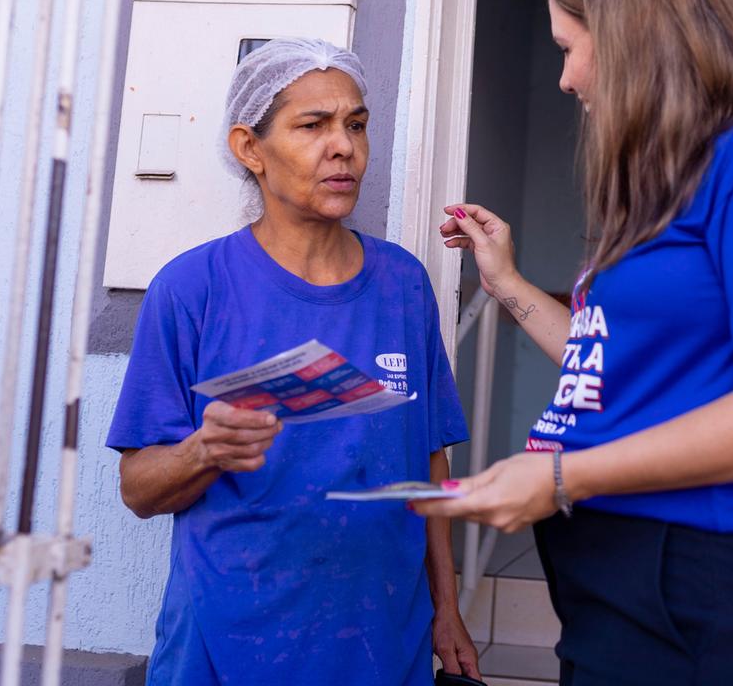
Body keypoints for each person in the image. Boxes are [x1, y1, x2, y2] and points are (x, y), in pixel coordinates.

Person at [414, 0, 733, 686]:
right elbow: (609, 365)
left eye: (568, 48)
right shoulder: (659, 185)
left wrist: (559, 478)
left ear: (629, 33)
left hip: (711, 576)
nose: (564, 78)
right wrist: (509, 285)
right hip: (615, 570)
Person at [107, 38, 479, 685]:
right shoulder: (193, 288)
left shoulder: (403, 284)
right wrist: (204, 450)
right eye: (314, 125)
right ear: (250, 148)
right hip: (225, 644)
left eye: (356, 125)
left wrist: (446, 610)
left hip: (382, 643)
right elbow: (138, 490)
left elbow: (429, 463)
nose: (344, 147)